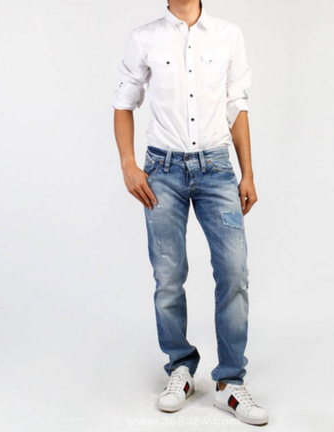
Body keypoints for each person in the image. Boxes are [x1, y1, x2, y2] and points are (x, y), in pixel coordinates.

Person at [112, 0, 268, 426]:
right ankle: (180, 367)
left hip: (217, 168)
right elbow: (124, 101)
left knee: (234, 271)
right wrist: (128, 164)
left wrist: (248, 172)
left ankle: (230, 381)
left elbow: (237, 105)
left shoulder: (228, 35)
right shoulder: (144, 38)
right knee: (168, 275)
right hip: (162, 171)